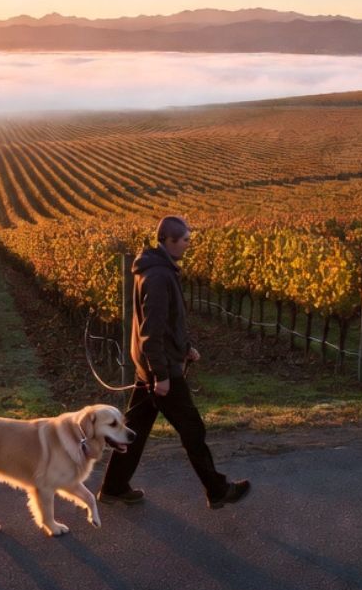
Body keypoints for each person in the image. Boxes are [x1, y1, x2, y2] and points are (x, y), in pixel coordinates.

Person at [99, 216, 251, 509]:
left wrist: (185, 349)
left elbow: (168, 324)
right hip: (161, 369)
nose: (188, 245)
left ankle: (114, 487)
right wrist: (162, 375)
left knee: (135, 429)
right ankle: (217, 489)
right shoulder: (157, 276)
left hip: (154, 365)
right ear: (168, 241)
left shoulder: (157, 269)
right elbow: (151, 331)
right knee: (192, 429)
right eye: (184, 240)